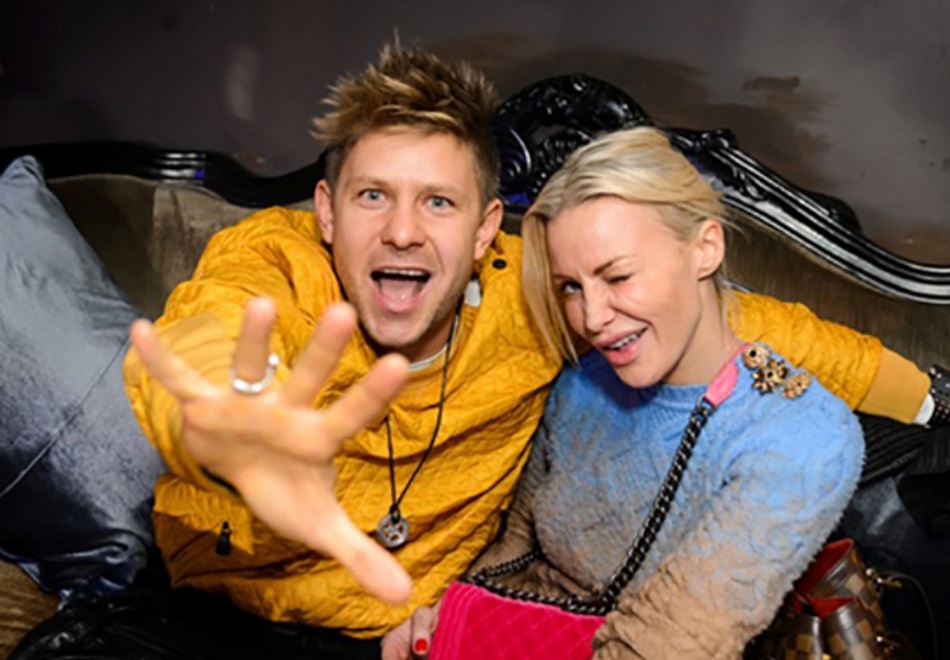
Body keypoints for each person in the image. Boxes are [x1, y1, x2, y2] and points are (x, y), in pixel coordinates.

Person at [6, 42, 939, 660]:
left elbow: (747, 322)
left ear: (489, 228)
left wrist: (933, 396)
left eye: (439, 202)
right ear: (326, 212)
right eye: (373, 196)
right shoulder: (273, 264)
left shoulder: (543, 293)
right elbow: (206, 337)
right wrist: (230, 425)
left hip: (405, 632)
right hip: (220, 616)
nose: (403, 231)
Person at [396, 126, 865, 659]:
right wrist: (443, 621)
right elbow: (513, 554)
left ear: (706, 249)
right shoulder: (581, 383)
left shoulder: (804, 439)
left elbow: (663, 647)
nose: (592, 318)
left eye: (617, 277)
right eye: (571, 287)